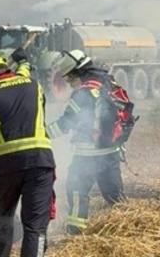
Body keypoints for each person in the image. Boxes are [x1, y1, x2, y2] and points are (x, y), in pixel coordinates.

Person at [0, 49, 55, 257]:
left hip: (5, 166)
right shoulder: (34, 85)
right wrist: (23, 61)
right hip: (39, 162)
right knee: (35, 226)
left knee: (4, 217)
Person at [46, 49, 125, 234]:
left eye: (69, 78)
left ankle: (75, 231)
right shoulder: (108, 81)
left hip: (88, 153)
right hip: (112, 150)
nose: (69, 82)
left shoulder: (83, 92)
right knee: (114, 194)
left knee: (76, 188)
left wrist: (42, 134)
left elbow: (66, 123)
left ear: (77, 72)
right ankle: (125, 226)